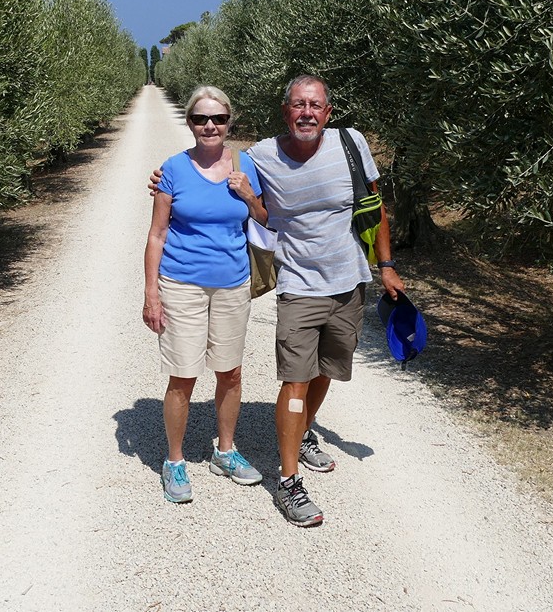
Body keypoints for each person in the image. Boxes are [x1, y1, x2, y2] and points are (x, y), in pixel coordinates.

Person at [151, 75, 404, 526]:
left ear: (328, 111)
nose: (210, 125)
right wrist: (162, 181)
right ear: (285, 111)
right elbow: (171, 216)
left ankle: (268, 441)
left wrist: (385, 265)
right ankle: (247, 474)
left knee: (294, 371)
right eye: (201, 118)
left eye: (315, 105)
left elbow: (368, 206)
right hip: (264, 284)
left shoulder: (323, 148)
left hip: (311, 282)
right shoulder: (236, 159)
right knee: (255, 377)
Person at [143, 85, 269, 504]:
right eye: (200, 119)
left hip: (233, 284)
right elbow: (157, 234)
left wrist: (248, 194)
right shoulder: (173, 169)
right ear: (190, 123)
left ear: (230, 121)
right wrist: (151, 293)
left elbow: (265, 218)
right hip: (181, 284)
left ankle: (225, 452)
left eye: (218, 118)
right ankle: (174, 461)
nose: (210, 125)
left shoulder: (246, 165)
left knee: (230, 372)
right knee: (183, 375)